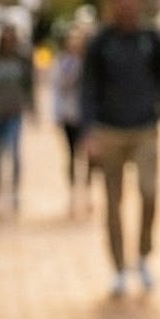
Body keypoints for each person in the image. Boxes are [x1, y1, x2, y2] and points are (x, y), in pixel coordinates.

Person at [80, 0, 160, 297]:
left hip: (145, 127)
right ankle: (119, 267)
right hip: (109, 130)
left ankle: (144, 255)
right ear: (113, 1)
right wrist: (87, 132)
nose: (128, 3)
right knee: (113, 202)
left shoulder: (151, 41)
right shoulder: (101, 43)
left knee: (150, 192)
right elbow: (88, 88)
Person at [0, 25, 35, 214]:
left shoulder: (21, 62)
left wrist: (33, 109)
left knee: (14, 153)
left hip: (14, 114)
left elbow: (29, 87)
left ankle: (15, 193)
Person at [50, 17, 90, 215]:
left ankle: (88, 193)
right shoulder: (62, 63)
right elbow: (58, 89)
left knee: (89, 157)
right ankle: (73, 194)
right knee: (73, 156)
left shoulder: (90, 64)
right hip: (69, 115)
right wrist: (57, 114)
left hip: (86, 117)